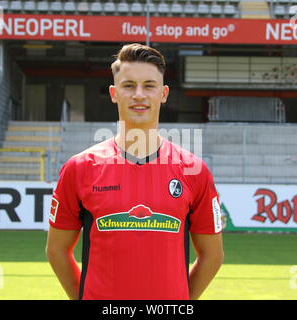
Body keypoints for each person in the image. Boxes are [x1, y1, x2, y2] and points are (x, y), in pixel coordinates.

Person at [46, 43, 224, 300]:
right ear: (114, 93)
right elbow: (56, 250)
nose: (139, 94)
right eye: (128, 85)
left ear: (163, 93)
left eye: (149, 85)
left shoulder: (194, 171)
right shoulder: (79, 168)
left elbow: (213, 255)